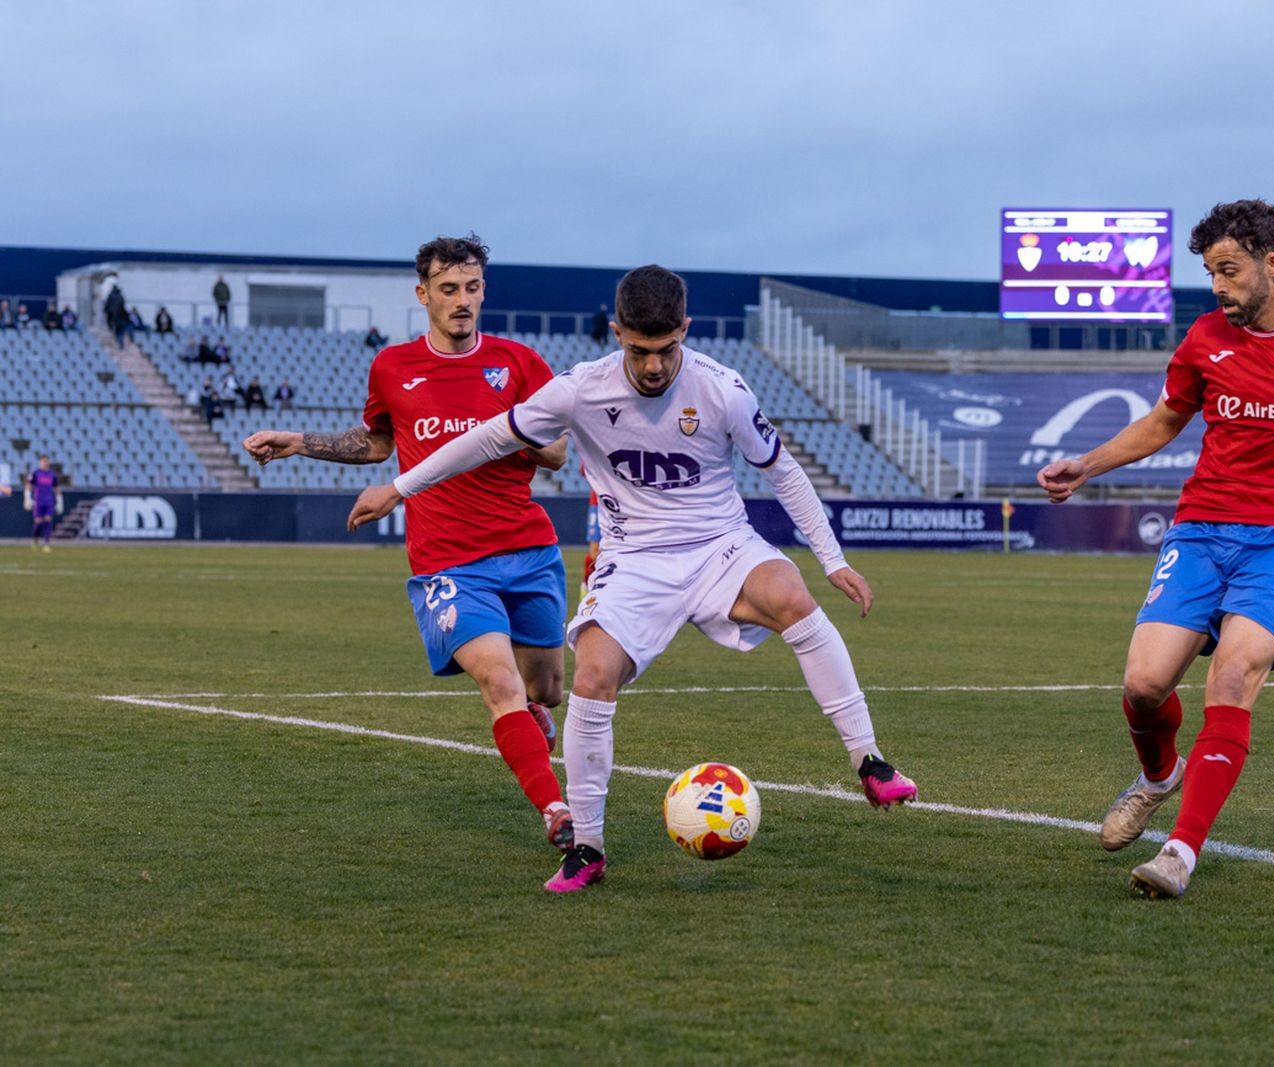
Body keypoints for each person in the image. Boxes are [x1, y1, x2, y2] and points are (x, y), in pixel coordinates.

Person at [349, 264, 919, 895]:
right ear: (617, 332)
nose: (653, 367)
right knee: (591, 678)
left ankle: (870, 760)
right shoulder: (579, 390)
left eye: (667, 349)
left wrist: (832, 558)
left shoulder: (723, 388)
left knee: (794, 599)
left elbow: (783, 473)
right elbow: (486, 440)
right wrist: (398, 488)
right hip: (634, 559)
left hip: (719, 546)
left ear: (686, 331)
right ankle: (586, 848)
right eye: (639, 350)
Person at [1036, 200, 1274, 900]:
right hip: (1204, 530)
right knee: (1144, 686)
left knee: (1232, 677)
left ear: (1273, 264)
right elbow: (1164, 422)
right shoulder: (1206, 339)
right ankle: (1157, 777)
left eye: (1230, 270)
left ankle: (1181, 850)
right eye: (1211, 272)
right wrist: (1085, 465)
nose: (1218, 285)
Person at [244, 233, 576, 855]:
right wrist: (301, 441)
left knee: (546, 688)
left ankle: (535, 724)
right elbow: (375, 442)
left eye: (472, 288)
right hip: (449, 561)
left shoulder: (520, 363)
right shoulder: (393, 368)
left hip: (530, 551)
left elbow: (557, 452)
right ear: (423, 294)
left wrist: (495, 434)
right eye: (448, 290)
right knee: (499, 685)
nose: (462, 301)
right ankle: (555, 809)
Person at [25, 454, 61, 552]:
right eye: (43, 461)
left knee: (48, 520)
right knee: (38, 522)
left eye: (46, 461)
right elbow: (28, 485)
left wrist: (59, 501)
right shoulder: (35, 473)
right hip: (38, 501)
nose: (45, 463)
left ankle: (46, 543)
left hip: (49, 501)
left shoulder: (52, 474)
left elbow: (57, 487)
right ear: (40, 462)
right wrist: (27, 498)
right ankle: (35, 540)